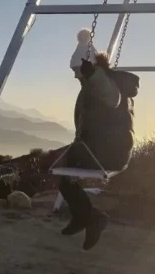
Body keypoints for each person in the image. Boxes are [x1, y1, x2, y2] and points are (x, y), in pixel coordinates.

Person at [58, 29, 139, 251]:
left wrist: (93, 75)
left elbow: (111, 98)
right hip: (106, 149)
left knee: (60, 165)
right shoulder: (96, 84)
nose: (76, 75)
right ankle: (85, 216)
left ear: (89, 68)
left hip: (109, 153)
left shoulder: (104, 85)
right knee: (62, 173)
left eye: (77, 71)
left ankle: (89, 217)